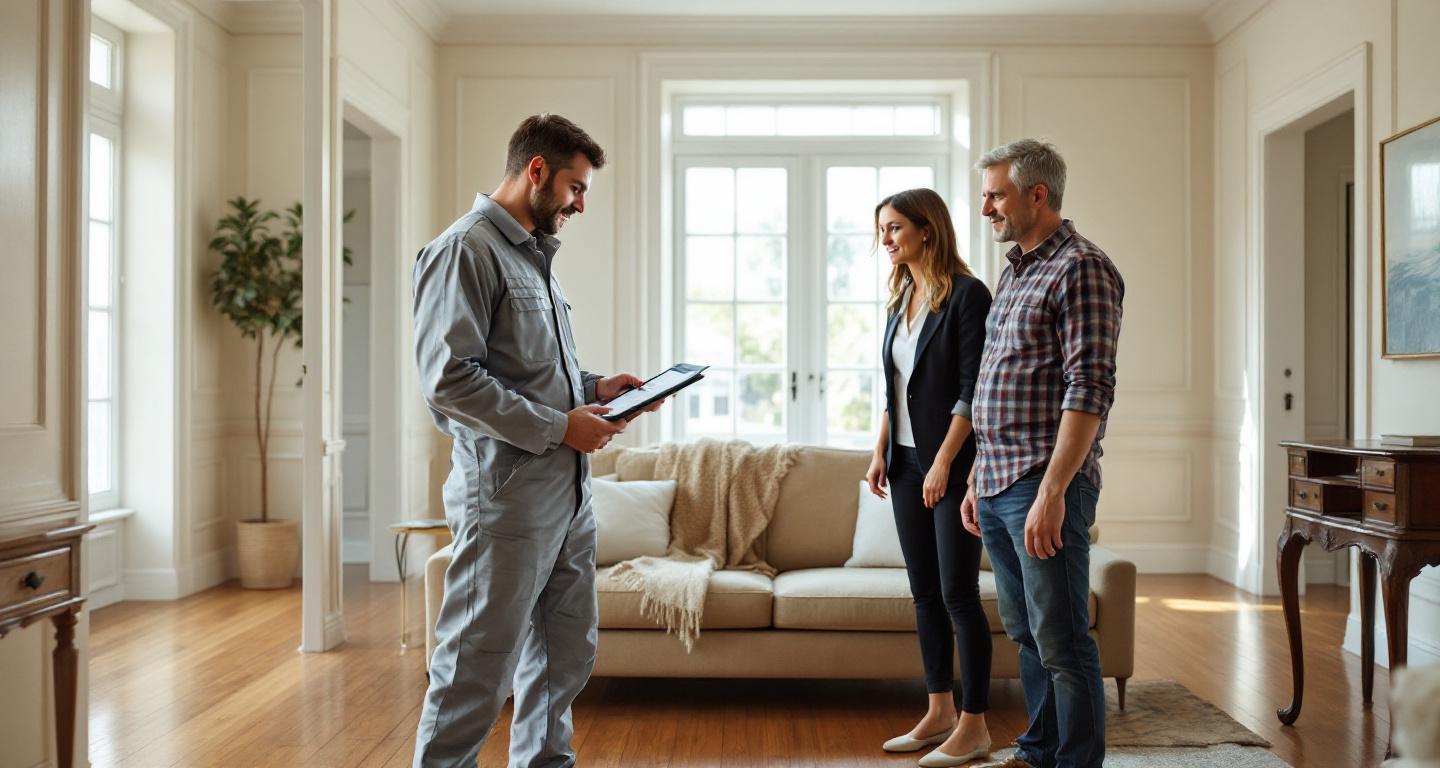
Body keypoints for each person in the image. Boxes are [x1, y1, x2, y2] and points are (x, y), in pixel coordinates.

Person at [410, 113, 660, 768]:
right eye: (576, 188)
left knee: (562, 658)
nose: (579, 205)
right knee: (475, 672)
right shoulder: (465, 250)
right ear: (537, 171)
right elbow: (448, 380)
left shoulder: (535, 259)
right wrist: (560, 427)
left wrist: (598, 389)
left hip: (568, 500)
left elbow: (535, 371)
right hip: (506, 505)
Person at [960, 139, 1124, 768]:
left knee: (1060, 635)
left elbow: (1089, 388)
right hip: (1000, 481)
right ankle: (1041, 748)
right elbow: (996, 383)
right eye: (984, 196)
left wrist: (1055, 490)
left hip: (1042, 482)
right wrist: (978, 476)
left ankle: (1077, 762)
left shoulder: (1082, 267)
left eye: (995, 195)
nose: (985, 209)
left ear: (1038, 194)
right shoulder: (1017, 269)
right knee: (1028, 631)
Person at [865, 188, 995, 768]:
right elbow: (898, 389)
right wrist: (880, 451)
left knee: (958, 595)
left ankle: (975, 725)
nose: (886, 239)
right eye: (882, 230)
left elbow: (972, 389)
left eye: (894, 228)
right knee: (924, 594)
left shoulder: (968, 296)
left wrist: (943, 462)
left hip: (952, 463)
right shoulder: (900, 301)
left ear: (927, 229)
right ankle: (938, 710)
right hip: (905, 461)